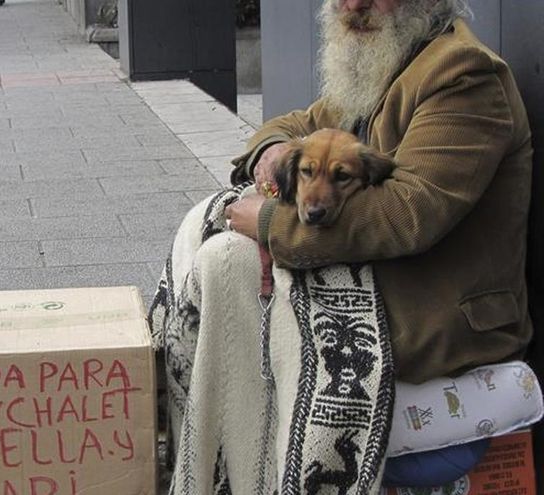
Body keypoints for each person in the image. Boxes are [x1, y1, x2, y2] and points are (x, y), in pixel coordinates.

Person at [149, 0, 534, 493]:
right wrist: (272, 151)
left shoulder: (464, 75)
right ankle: (212, 461)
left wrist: (268, 221)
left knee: (233, 264)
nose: (353, 5)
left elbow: (407, 213)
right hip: (380, 284)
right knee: (219, 249)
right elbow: (298, 124)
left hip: (436, 319)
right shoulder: (385, 65)